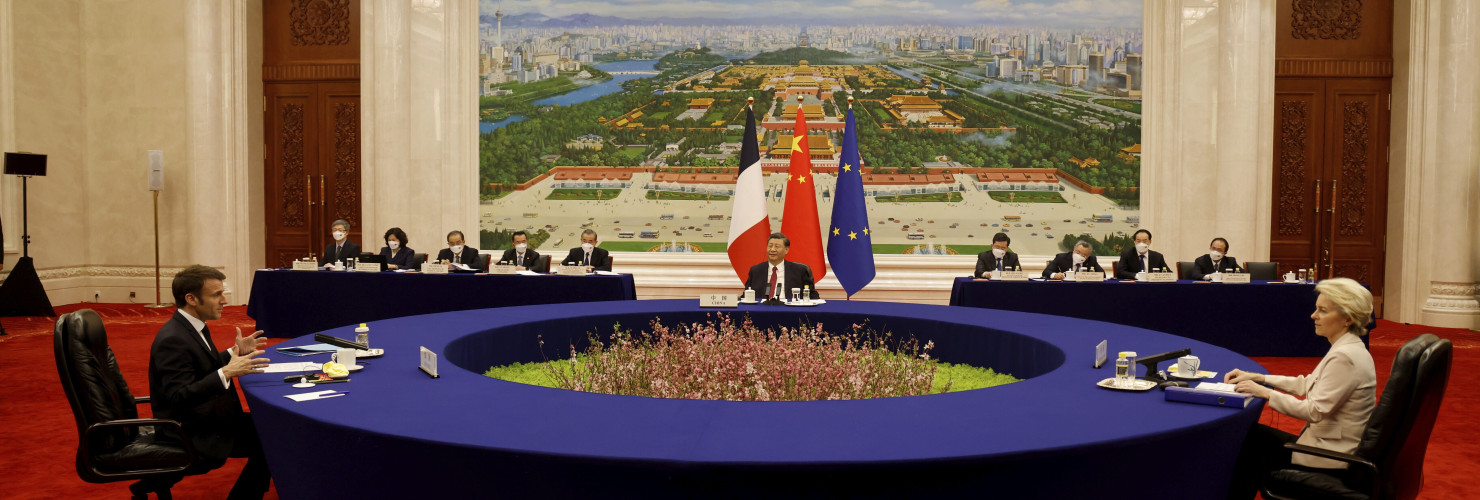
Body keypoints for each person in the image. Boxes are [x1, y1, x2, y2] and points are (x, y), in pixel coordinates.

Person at [1223, 277, 1376, 499]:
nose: (1314, 316)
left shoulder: (1345, 357)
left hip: (1329, 457)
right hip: (1327, 445)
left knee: (1250, 444)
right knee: (1254, 436)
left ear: (1347, 318)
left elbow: (1313, 411)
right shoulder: (1348, 347)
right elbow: (1306, 383)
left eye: (1322, 310)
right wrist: (1260, 378)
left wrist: (1264, 393)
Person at [147, 265, 272, 499]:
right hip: (192, 430)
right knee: (274, 437)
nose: (224, 300)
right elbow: (178, 397)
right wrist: (226, 372)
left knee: (273, 429)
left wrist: (233, 352)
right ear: (191, 299)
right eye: (216, 295)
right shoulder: (172, 339)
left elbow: (200, 365)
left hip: (210, 418)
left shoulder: (190, 326)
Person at [744, 232, 821, 300]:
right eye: (770, 246)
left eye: (777, 246)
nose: (772, 249)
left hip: (791, 311)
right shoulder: (756, 270)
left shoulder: (799, 271)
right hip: (761, 311)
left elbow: (812, 295)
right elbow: (746, 295)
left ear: (786, 250)